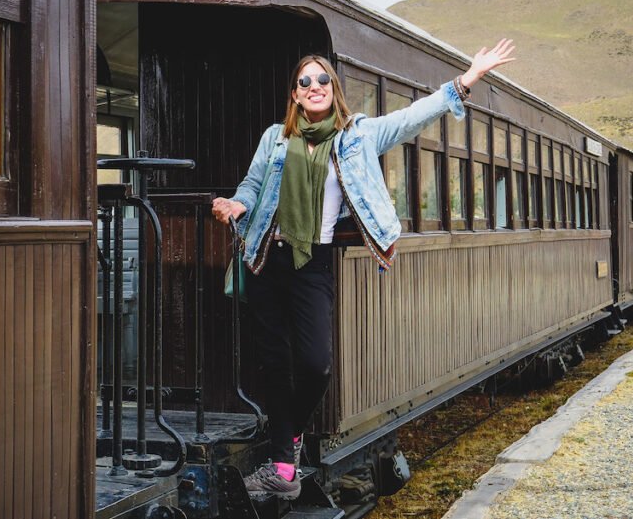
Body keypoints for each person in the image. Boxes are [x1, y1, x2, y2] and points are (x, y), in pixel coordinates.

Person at [211, 40, 516, 500]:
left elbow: (411, 119)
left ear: (333, 89)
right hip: (266, 259)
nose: (314, 86)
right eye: (305, 82)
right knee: (275, 363)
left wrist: (466, 80)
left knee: (315, 364)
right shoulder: (276, 138)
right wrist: (237, 202)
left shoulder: (358, 135)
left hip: (313, 260)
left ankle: (289, 438)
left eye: (322, 80)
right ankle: (283, 468)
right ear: (294, 94)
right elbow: (254, 184)